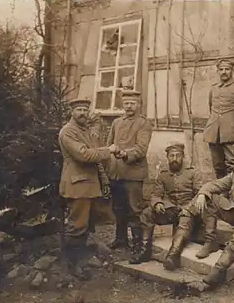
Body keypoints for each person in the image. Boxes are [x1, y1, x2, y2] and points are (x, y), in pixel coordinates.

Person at [163, 143, 234, 288]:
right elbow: (214, 185)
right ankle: (211, 241)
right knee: (211, 198)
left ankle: (216, 274)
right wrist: (203, 194)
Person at [58, 97, 119, 279]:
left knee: (86, 226)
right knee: (77, 226)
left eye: (85, 110)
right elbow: (85, 155)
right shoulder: (68, 132)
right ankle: (72, 266)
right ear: (72, 112)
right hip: (77, 186)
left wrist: (104, 181)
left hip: (90, 185)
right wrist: (109, 150)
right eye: (79, 110)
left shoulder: (84, 130)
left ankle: (81, 261)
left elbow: (96, 159)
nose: (83, 113)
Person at [131, 142, 215, 264]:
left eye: (178, 155)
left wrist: (189, 208)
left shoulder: (192, 172)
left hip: (190, 212)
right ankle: (144, 251)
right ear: (167, 157)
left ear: (183, 156)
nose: (174, 159)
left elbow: (199, 194)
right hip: (172, 210)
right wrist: (158, 203)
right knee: (147, 213)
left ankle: (173, 255)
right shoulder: (163, 175)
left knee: (184, 219)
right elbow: (156, 194)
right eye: (171, 156)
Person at [106, 90, 153, 262]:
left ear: (138, 104)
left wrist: (125, 154)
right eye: (126, 103)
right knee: (118, 208)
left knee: (134, 210)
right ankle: (121, 239)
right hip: (116, 172)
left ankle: (138, 247)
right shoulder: (117, 123)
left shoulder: (144, 124)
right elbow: (109, 144)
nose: (129, 106)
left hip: (133, 174)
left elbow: (141, 149)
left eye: (132, 103)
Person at [203, 59, 234, 179]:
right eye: (221, 69)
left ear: (232, 71)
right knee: (218, 165)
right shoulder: (214, 89)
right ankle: (222, 193)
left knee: (233, 164)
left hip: (231, 133)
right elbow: (211, 108)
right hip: (213, 133)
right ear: (217, 71)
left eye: (227, 69)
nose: (224, 72)